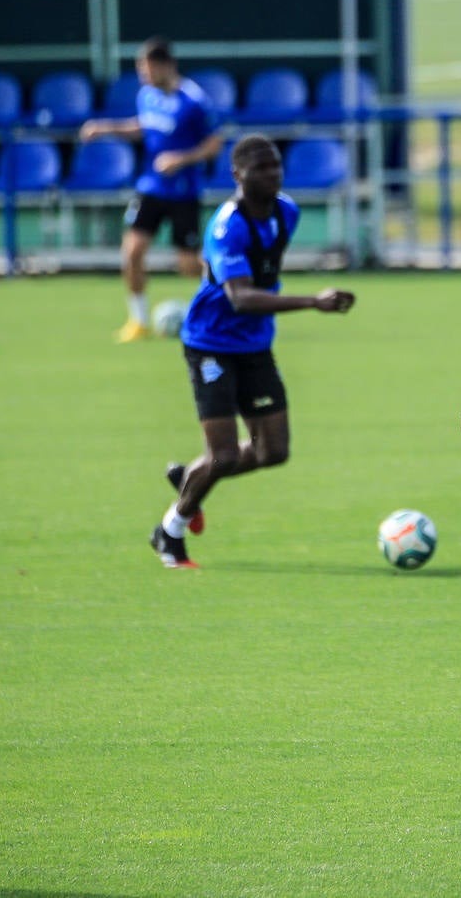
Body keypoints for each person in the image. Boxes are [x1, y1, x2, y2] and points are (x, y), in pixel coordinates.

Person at [150, 134, 356, 569]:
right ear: (237, 175)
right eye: (261, 168)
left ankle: (190, 478)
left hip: (254, 344)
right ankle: (170, 530)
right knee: (223, 454)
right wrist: (312, 302)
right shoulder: (227, 227)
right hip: (210, 344)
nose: (272, 174)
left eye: (276, 166)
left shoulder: (287, 212)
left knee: (273, 451)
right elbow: (240, 298)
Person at [80, 36, 223, 343]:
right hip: (151, 188)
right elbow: (144, 126)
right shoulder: (147, 95)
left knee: (187, 265)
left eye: (147, 69)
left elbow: (215, 143)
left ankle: (230, 298)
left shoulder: (194, 101)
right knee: (132, 252)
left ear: (166, 65)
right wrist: (105, 128)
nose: (144, 75)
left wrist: (182, 159)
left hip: (184, 191)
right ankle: (139, 321)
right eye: (140, 69)